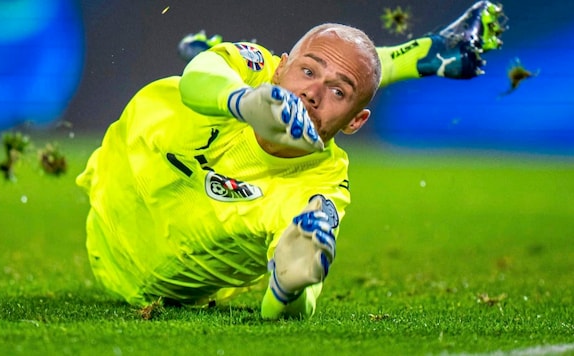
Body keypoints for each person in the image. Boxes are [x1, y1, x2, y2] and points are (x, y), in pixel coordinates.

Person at [76, 1, 506, 320]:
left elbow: (293, 305)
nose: (313, 94)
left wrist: (290, 287)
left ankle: (414, 57)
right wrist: (241, 100)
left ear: (356, 124)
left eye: (338, 94)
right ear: (280, 69)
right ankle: (419, 54)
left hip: (144, 283)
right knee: (226, 68)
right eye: (305, 72)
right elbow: (200, 78)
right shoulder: (257, 67)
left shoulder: (321, 189)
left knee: (340, 72)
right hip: (108, 186)